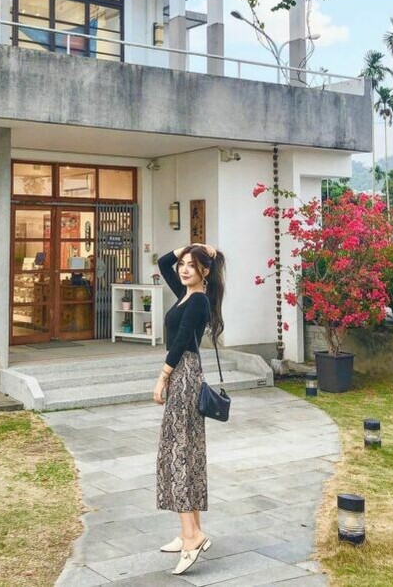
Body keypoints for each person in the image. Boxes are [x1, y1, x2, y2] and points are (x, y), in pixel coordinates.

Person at [153, 243, 226, 576]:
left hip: (183, 375)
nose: (182, 269)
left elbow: (182, 339)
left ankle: (192, 536)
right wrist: (195, 246)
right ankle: (189, 530)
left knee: (179, 453)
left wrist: (162, 378)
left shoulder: (198, 300)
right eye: (183, 265)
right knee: (185, 451)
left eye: (191, 265)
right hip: (185, 374)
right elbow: (162, 261)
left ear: (204, 272)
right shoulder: (186, 294)